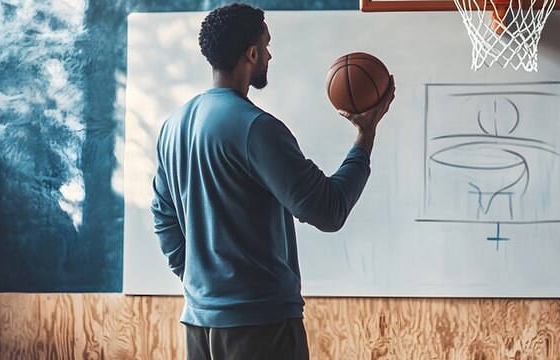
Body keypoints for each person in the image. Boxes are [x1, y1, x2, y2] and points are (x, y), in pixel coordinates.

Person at [150, 3, 395, 359]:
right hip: (259, 325)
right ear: (251, 53)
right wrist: (366, 135)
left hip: (199, 325)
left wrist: (200, 279)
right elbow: (328, 210)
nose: (269, 54)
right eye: (265, 45)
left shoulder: (173, 126)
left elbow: (163, 218)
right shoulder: (256, 128)